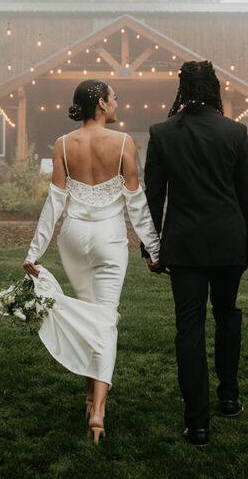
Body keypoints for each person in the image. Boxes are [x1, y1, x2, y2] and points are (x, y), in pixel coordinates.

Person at [22, 79, 160, 444]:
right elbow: (136, 203)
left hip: (72, 239)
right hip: (109, 239)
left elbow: (54, 204)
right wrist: (156, 250)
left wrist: (34, 252)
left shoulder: (63, 145)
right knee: (104, 318)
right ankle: (98, 412)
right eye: (114, 99)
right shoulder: (124, 143)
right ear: (100, 104)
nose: (117, 104)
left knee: (90, 316)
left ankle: (88, 395)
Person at [142, 60, 248, 449]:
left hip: (185, 248)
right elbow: (247, 196)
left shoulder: (161, 134)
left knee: (188, 329)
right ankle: (229, 397)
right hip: (230, 244)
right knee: (227, 315)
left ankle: (197, 425)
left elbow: (153, 197)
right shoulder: (235, 132)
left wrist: (150, 246)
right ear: (214, 89)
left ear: (181, 90)